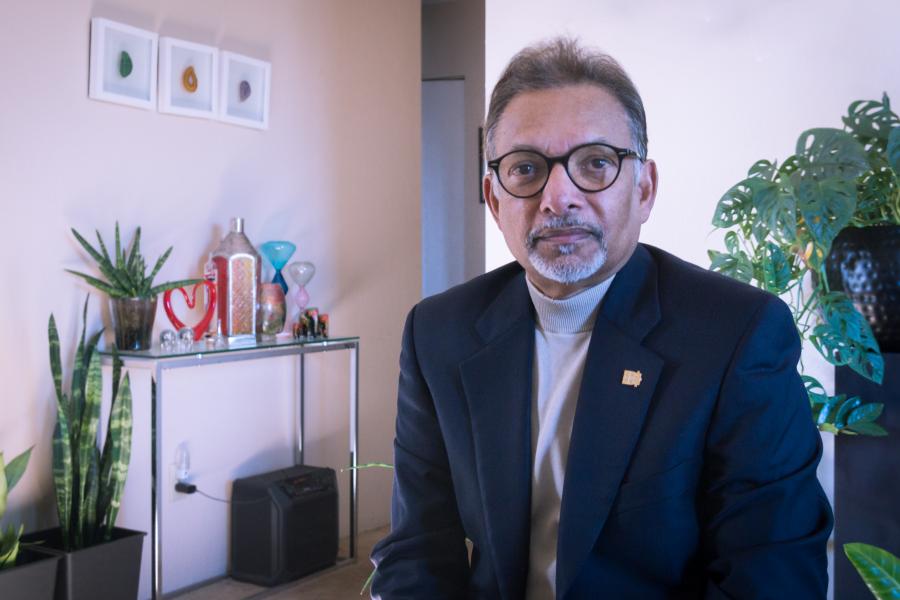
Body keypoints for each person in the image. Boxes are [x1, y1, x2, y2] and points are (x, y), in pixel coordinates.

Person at [371, 37, 832, 599]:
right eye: (526, 168)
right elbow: (416, 550)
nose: (558, 195)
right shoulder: (438, 332)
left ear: (644, 188)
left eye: (595, 163)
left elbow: (772, 575)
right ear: (494, 199)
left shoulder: (738, 334)